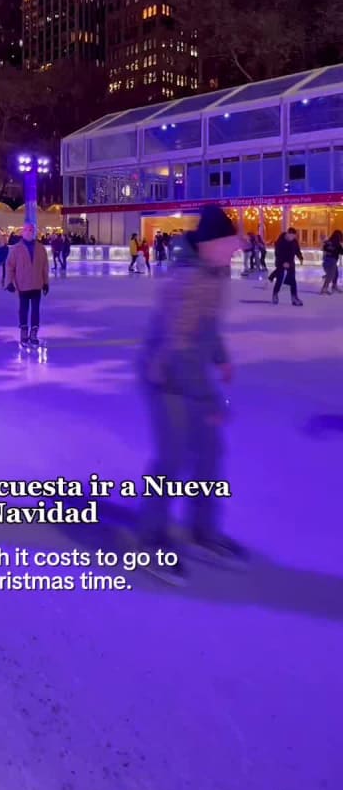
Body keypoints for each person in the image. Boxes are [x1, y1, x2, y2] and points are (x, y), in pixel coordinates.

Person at [138, 205, 246, 583]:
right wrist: (212, 399)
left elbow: (209, 325)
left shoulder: (215, 273)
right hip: (165, 376)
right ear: (211, 244)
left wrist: (221, 359)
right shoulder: (188, 281)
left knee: (210, 454)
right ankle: (151, 542)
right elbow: (178, 349)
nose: (236, 250)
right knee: (172, 460)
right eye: (230, 243)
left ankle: (203, 533)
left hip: (192, 373)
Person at [5, 221, 50, 347]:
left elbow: (44, 267)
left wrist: (46, 283)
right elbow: (10, 267)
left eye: (31, 230)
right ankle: (24, 331)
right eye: (27, 229)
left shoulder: (41, 248)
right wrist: (9, 282)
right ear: (22, 231)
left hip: (37, 285)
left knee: (35, 310)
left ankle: (34, 333)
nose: (29, 232)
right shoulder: (16, 249)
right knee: (23, 309)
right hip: (22, 285)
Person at [271, 227, 304, 306]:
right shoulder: (280, 241)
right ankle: (275, 294)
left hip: (291, 263)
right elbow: (278, 254)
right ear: (287, 234)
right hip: (281, 263)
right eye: (291, 236)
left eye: (294, 237)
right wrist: (283, 262)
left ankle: (294, 298)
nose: (292, 238)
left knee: (293, 281)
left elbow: (297, 250)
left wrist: (300, 257)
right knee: (280, 279)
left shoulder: (294, 241)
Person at [320, 230, 343, 295]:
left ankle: (334, 286)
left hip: (326, 260)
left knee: (335, 273)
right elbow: (341, 252)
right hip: (332, 261)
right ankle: (324, 288)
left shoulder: (327, 242)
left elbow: (323, 248)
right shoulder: (337, 245)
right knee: (331, 275)